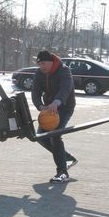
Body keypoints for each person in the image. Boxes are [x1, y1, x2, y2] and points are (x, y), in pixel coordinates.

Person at [31, 50, 77, 183]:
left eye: (43, 63)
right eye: (39, 64)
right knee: (40, 137)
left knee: (54, 135)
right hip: (48, 110)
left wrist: (57, 102)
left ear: (51, 62)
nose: (42, 67)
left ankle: (62, 173)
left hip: (64, 107)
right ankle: (67, 158)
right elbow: (35, 92)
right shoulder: (40, 73)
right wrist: (40, 106)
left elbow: (66, 88)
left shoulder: (64, 70)